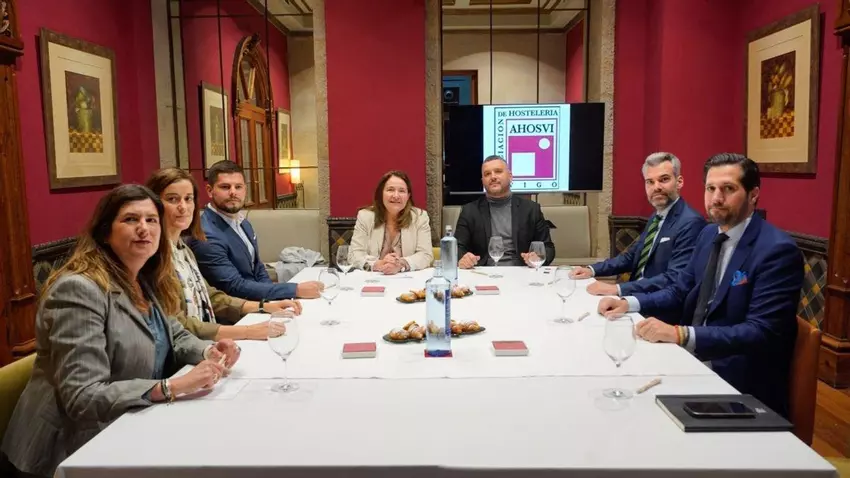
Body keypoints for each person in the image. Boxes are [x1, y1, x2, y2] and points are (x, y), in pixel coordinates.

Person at [0, 185, 240, 477]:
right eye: (130, 219)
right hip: (69, 450)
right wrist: (171, 387)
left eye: (151, 220)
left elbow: (173, 334)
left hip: (128, 425)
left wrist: (209, 351)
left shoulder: (144, 279)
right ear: (105, 232)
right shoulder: (78, 289)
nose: (144, 228)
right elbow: (83, 396)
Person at [598, 154, 802, 417]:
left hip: (739, 385)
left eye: (728, 189)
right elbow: (679, 290)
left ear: (753, 195)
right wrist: (628, 303)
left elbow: (760, 332)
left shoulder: (776, 250)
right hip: (692, 359)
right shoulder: (708, 235)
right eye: (710, 188)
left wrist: (682, 335)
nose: (716, 198)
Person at [146, 168, 302, 340]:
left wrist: (264, 305)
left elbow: (210, 296)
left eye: (188, 199)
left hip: (207, 337)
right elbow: (177, 324)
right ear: (153, 205)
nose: (183, 207)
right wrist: (247, 331)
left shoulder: (183, 250)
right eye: (172, 199)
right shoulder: (153, 257)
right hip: (188, 347)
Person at [186, 161, 323, 301]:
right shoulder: (206, 234)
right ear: (210, 190)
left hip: (260, 303)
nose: (233, 192)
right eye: (225, 187)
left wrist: (276, 301)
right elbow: (233, 287)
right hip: (237, 309)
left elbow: (258, 269)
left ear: (245, 189)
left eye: (238, 187)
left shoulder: (243, 223)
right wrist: (294, 290)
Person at [572, 152, 705, 296]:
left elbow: (674, 278)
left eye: (664, 179)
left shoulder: (691, 222)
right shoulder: (656, 217)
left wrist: (617, 289)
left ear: (679, 182)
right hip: (636, 294)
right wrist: (591, 270)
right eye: (650, 182)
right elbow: (631, 257)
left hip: (656, 303)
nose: (656, 187)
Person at [455, 155, 555, 269]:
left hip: (522, 271)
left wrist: (538, 257)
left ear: (510, 177)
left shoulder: (531, 209)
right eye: (487, 174)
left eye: (498, 171)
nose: (493, 177)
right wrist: (463, 258)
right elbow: (458, 247)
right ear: (482, 181)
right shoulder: (469, 211)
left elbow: (548, 248)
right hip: (483, 272)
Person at [348, 170, 433, 274]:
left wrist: (400, 264)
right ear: (381, 194)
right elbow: (354, 255)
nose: (396, 195)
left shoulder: (419, 217)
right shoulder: (365, 216)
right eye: (390, 190)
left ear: (408, 196)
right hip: (374, 278)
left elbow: (425, 255)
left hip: (407, 278)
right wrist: (377, 264)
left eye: (402, 191)